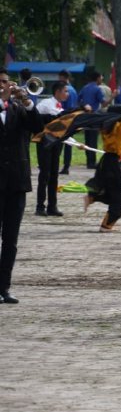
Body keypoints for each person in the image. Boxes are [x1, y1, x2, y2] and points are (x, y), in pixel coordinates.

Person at [0, 67, 44, 304]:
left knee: (11, 239)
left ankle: (4, 287)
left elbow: (38, 127)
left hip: (16, 181)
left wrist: (27, 103)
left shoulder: (18, 108)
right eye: (0, 82)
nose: (5, 86)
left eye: (6, 82)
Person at [83, 105, 121, 232]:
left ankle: (93, 197)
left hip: (106, 161)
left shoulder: (108, 126)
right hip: (111, 163)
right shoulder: (118, 126)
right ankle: (106, 225)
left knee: (111, 191)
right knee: (118, 193)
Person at [35, 81, 70, 217]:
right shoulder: (45, 104)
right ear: (57, 91)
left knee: (54, 174)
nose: (67, 94)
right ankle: (40, 206)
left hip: (56, 142)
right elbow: (35, 118)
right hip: (45, 142)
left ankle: (52, 206)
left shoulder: (59, 106)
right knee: (45, 174)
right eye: (65, 91)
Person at [79, 71, 115, 168]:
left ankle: (88, 161)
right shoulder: (97, 89)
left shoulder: (84, 88)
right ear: (98, 78)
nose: (102, 79)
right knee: (93, 139)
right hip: (94, 116)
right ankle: (92, 162)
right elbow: (104, 104)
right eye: (101, 77)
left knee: (87, 138)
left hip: (85, 115)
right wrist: (113, 96)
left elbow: (79, 100)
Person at [58, 69, 79, 175]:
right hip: (73, 119)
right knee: (68, 143)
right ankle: (66, 165)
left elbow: (68, 107)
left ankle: (63, 166)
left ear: (63, 77)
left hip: (66, 118)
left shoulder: (66, 90)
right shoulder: (73, 89)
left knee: (61, 142)